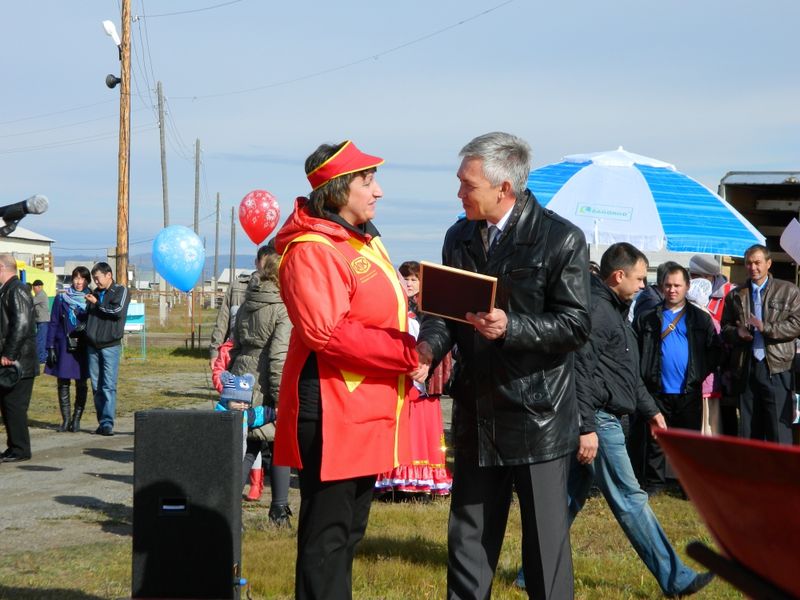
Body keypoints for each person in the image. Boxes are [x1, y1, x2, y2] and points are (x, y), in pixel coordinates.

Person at [416, 132, 591, 600]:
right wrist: (428, 348)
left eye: (466, 185)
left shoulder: (561, 239)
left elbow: (576, 326)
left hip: (539, 417)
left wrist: (512, 328)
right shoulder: (459, 236)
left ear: (504, 189)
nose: (458, 194)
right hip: (478, 412)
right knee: (468, 541)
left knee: (545, 551)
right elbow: (442, 314)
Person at [273, 140, 419, 599]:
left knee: (348, 532)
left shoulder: (363, 239)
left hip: (363, 406)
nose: (378, 192)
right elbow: (326, 333)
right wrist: (406, 353)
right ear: (337, 191)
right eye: (367, 180)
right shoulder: (312, 248)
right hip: (334, 408)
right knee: (327, 538)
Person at [549, 242, 713, 597]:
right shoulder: (596, 311)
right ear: (618, 276)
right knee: (631, 498)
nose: (644, 286)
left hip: (603, 418)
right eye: (639, 279)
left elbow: (624, 373)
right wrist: (587, 427)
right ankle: (676, 579)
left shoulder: (616, 310)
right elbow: (580, 372)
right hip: (599, 423)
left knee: (566, 501)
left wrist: (650, 409)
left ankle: (531, 574)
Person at [632, 263, 721, 493]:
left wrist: (698, 374)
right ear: (662, 287)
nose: (672, 290)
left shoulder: (701, 319)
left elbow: (715, 350)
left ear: (687, 286)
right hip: (657, 390)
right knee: (656, 440)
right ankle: (654, 483)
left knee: (688, 443)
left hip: (688, 391)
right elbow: (635, 350)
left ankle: (687, 485)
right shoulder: (647, 318)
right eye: (668, 285)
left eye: (677, 285)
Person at [227, 242, 293, 525]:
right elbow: (279, 356)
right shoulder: (282, 309)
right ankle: (279, 509)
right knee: (280, 445)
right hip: (267, 381)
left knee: (249, 446)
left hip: (243, 379)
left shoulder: (246, 303)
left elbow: (236, 345)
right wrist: (281, 398)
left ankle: (228, 506)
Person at [375, 261, 453, 498]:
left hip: (423, 381)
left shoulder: (431, 310)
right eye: (405, 279)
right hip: (399, 379)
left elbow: (441, 343)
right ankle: (395, 480)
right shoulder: (394, 307)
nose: (409, 284)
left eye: (413, 279)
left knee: (422, 432)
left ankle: (422, 481)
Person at [721, 244, 800, 444]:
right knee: (748, 429)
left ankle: (781, 474)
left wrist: (766, 327)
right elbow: (725, 329)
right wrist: (738, 333)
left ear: (768, 264)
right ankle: (752, 473)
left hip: (777, 367)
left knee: (778, 429)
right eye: (748, 263)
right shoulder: (735, 295)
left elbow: (796, 325)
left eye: (757, 263)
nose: (753, 267)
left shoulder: (788, 291)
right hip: (746, 367)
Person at [688, 254, 739, 435]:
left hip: (726, 363)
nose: (693, 280)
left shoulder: (731, 293)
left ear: (710, 276)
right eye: (691, 276)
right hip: (703, 364)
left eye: (697, 276)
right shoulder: (691, 293)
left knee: (725, 413)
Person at [84, 262, 130, 436]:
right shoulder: (95, 293)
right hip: (92, 346)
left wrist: (97, 304)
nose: (96, 281)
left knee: (108, 386)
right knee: (96, 386)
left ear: (108, 275)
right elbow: (89, 315)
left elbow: (116, 311)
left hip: (110, 345)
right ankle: (102, 422)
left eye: (98, 278)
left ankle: (108, 423)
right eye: (94, 278)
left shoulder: (120, 291)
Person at [0, 253, 38, 462]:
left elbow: (22, 324)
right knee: (7, 404)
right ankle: (14, 446)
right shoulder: (6, 291)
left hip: (19, 362)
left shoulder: (17, 290)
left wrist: (9, 354)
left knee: (15, 405)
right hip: (12, 360)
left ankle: (21, 449)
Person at [44, 266, 91, 432]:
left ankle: (77, 419)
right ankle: (65, 419)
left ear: (88, 280)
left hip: (83, 346)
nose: (79, 282)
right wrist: (49, 346)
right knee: (62, 382)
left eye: (83, 278)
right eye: (76, 278)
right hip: (63, 345)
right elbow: (53, 323)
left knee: (81, 383)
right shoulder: (62, 298)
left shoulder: (91, 298)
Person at [208, 257, 261, 370]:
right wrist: (215, 352)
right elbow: (223, 321)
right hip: (234, 354)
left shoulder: (280, 287)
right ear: (257, 262)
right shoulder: (237, 286)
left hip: (261, 356)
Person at [215, 370, 277, 459]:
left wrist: (274, 412)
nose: (242, 405)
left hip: (239, 457)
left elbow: (259, 414)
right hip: (222, 456)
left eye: (246, 402)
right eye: (237, 401)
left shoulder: (245, 415)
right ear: (226, 401)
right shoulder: (217, 415)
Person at [31, 279, 49, 364]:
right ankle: (44, 357)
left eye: (34, 287)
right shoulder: (39, 294)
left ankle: (41, 359)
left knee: (40, 340)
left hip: (43, 321)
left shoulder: (41, 294)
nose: (33, 289)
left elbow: (31, 302)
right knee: (42, 340)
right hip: (41, 321)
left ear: (39, 287)